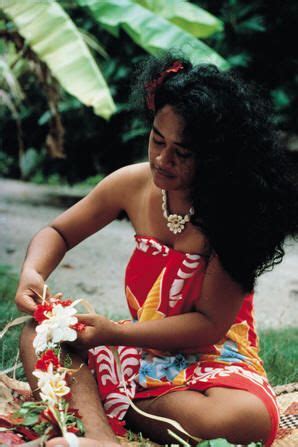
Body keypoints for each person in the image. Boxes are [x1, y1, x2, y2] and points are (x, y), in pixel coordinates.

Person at [16, 53, 298, 447]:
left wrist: (114, 335)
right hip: (134, 348)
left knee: (247, 420)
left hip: (212, 359)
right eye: (157, 140)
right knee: (38, 333)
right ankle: (99, 437)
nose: (162, 160)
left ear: (215, 158)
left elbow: (209, 325)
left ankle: (98, 409)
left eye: (181, 153)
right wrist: (33, 273)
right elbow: (58, 233)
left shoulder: (235, 213)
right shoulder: (132, 184)